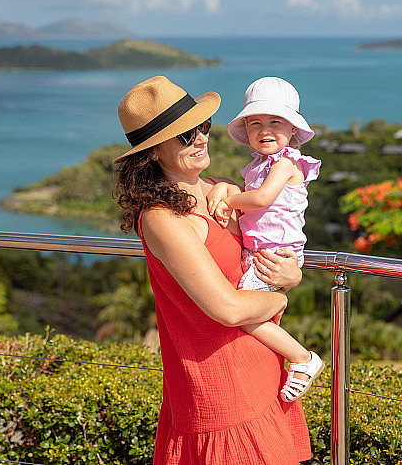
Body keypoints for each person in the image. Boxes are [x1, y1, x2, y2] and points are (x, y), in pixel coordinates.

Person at [113, 75, 312, 465]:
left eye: (201, 127)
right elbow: (229, 309)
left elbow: (269, 252)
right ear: (152, 152)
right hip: (216, 385)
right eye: (185, 135)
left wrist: (293, 274)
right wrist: (280, 294)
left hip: (263, 370)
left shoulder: (225, 190)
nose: (201, 138)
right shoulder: (162, 219)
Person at [207, 76, 324, 404]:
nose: (264, 130)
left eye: (275, 121)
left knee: (243, 316)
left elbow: (258, 200)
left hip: (277, 255)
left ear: (293, 129)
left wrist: (228, 200)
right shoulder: (257, 166)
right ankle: (266, 382)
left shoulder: (286, 163)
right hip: (260, 254)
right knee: (258, 325)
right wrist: (227, 190)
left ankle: (303, 359)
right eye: (255, 123)